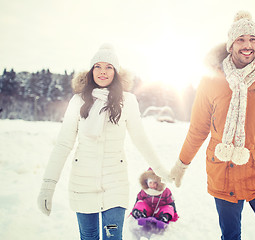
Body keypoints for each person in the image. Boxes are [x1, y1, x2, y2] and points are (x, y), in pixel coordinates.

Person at [170, 11, 255, 240]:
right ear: (230, 45)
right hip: (224, 174)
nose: (248, 45)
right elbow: (198, 128)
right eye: (241, 39)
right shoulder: (210, 81)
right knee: (231, 236)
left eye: (253, 39)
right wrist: (182, 164)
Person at [37, 43, 170, 240]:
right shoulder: (78, 101)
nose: (102, 72)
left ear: (116, 72)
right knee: (89, 236)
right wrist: (48, 185)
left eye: (109, 67)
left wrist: (161, 170)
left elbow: (140, 139)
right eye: (97, 66)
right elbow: (63, 144)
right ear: (91, 71)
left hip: (115, 183)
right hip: (82, 183)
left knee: (112, 237)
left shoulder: (128, 101)